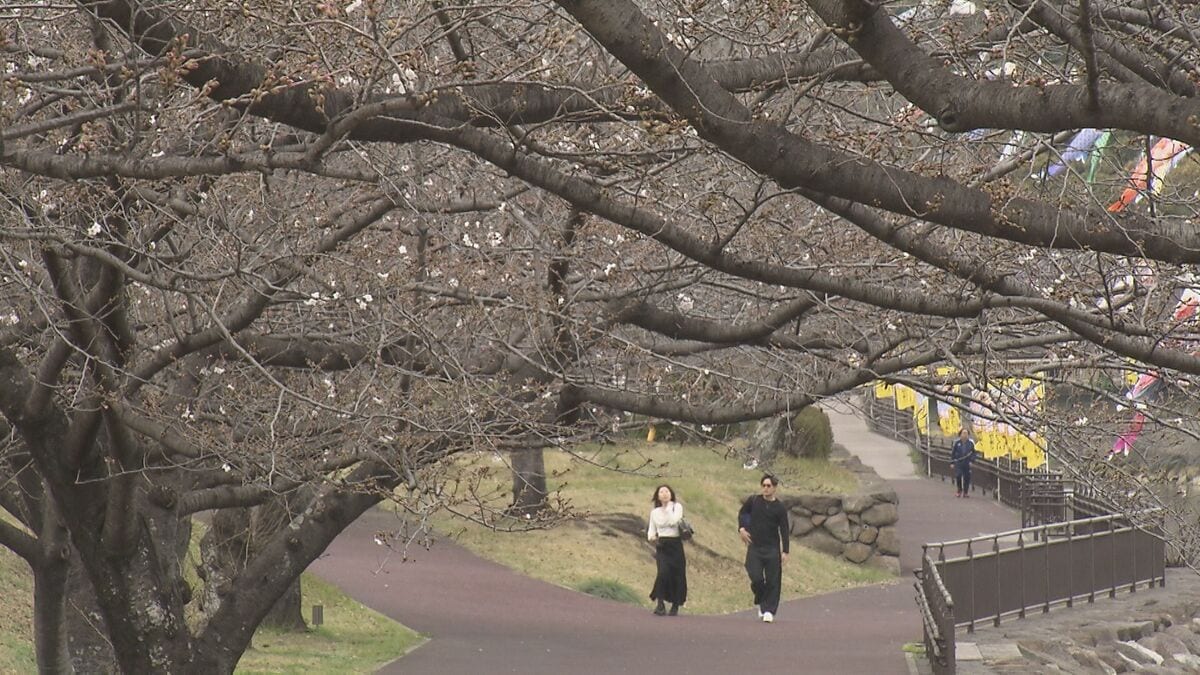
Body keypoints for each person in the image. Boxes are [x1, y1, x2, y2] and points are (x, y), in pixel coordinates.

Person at [737, 474, 789, 623]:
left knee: (773, 580)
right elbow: (743, 513)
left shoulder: (780, 508)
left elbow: (784, 529)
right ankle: (761, 599)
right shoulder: (754, 501)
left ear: (774, 488)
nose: (765, 488)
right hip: (755, 546)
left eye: (768, 486)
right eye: (763, 485)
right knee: (756, 576)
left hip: (772, 548)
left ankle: (768, 610)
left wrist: (785, 551)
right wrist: (741, 529)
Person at [647, 484, 687, 616]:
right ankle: (660, 604)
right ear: (657, 496)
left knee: (677, 574)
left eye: (667, 491)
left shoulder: (677, 507)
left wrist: (669, 507)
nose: (664, 494)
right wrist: (651, 537)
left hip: (675, 544)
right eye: (661, 492)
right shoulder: (654, 512)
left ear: (671, 494)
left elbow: (673, 521)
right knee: (662, 573)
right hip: (662, 545)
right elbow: (652, 528)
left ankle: (675, 605)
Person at [951, 429, 977, 497]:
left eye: (966, 433)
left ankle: (965, 492)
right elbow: (953, 453)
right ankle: (959, 490)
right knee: (958, 476)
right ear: (960, 434)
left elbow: (974, 453)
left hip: (967, 462)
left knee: (967, 478)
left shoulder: (971, 443)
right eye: (963, 433)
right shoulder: (957, 442)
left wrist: (972, 461)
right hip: (958, 462)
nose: (965, 435)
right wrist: (952, 462)